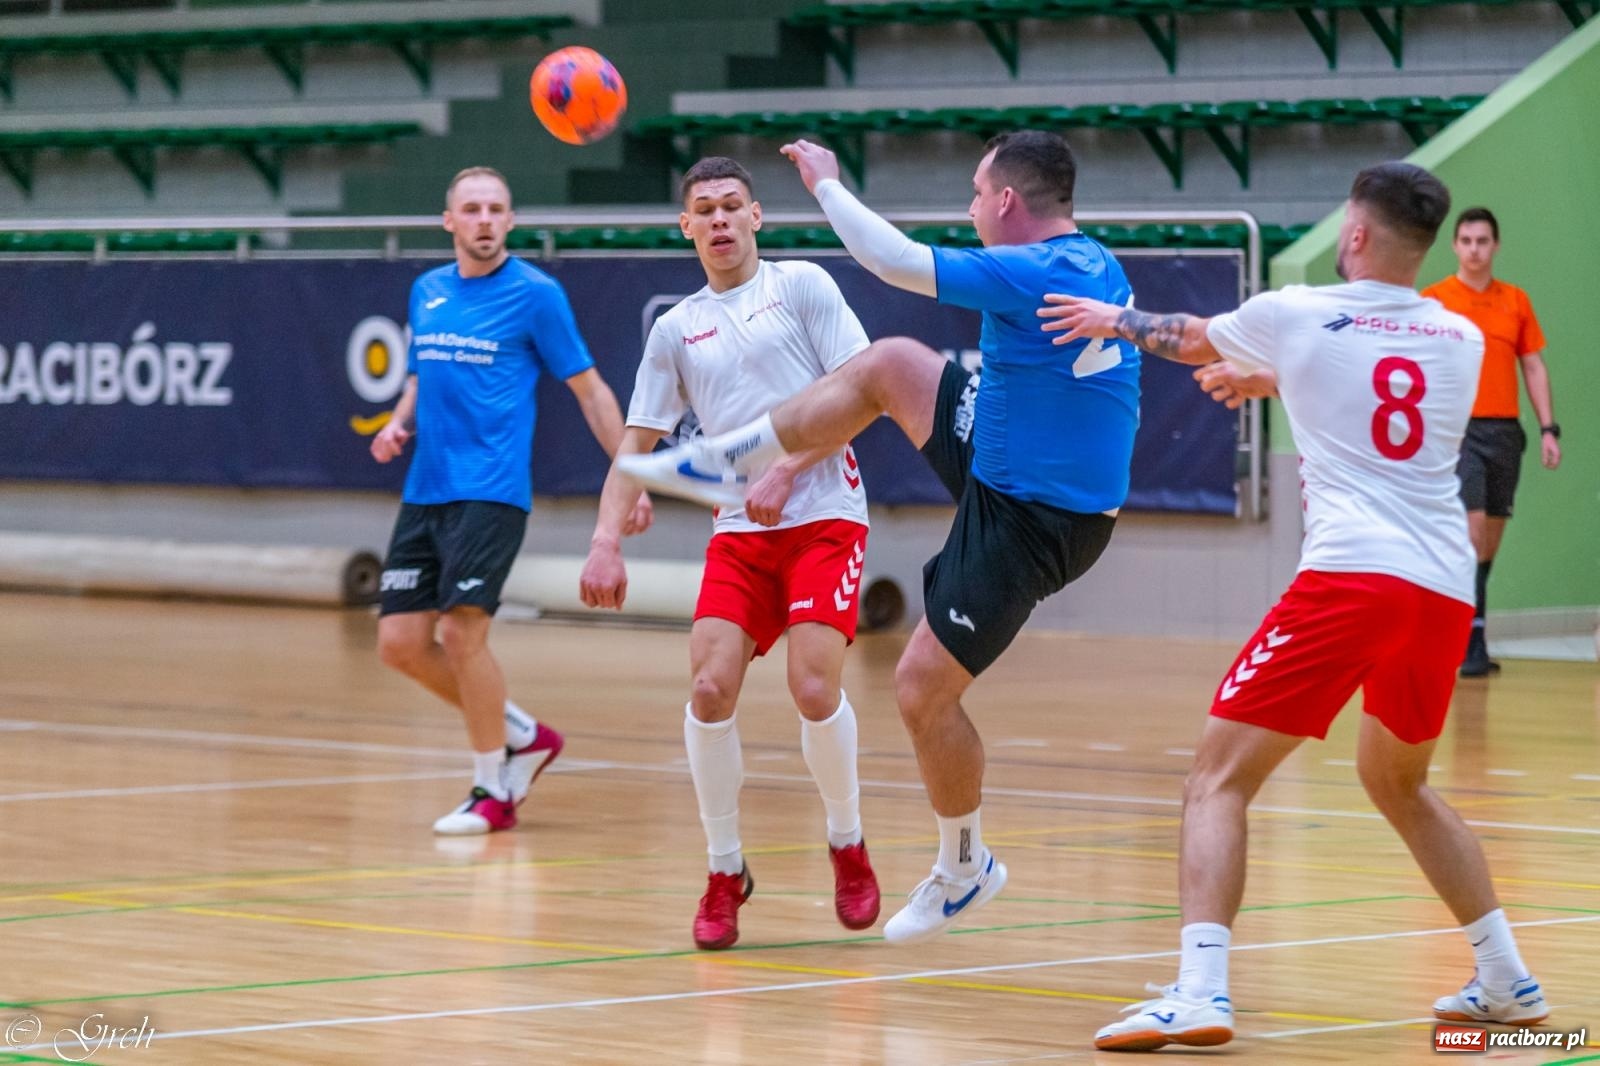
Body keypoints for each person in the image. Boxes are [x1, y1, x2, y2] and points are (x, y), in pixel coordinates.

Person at [1037, 162, 1547, 1051]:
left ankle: (1200, 991)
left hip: (1351, 578)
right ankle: (1505, 977)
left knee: (1216, 779)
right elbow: (1372, 381)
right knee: (1398, 781)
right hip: (1438, 588)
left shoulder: (1300, 311)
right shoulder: (1460, 338)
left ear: (1355, 233)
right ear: (1429, 243)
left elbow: (1191, 336)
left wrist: (1110, 317)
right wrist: (1270, 382)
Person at [618, 132, 1141, 944]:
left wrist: (827, 185)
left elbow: (892, 258)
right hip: (1003, 448)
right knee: (894, 362)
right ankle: (737, 455)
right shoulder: (1089, 262)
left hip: (1033, 518)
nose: (970, 208)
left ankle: (964, 867)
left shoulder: (1026, 266)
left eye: (975, 193)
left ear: (1008, 201)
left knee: (919, 689)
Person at [578, 157, 881, 950]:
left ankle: (847, 843)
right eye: (702, 210)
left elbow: (864, 393)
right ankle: (723, 869)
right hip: (740, 534)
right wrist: (605, 540)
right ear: (686, 228)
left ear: (756, 217)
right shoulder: (675, 328)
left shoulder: (803, 286)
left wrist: (786, 468)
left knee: (813, 688)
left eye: (730, 207)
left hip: (825, 517)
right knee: (709, 691)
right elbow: (634, 444)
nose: (717, 221)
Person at [370, 166, 649, 836]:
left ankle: (491, 789)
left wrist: (629, 474)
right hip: (425, 490)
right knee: (399, 643)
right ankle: (524, 734)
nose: (485, 220)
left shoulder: (536, 295)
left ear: (510, 220)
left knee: (461, 633)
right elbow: (421, 369)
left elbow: (592, 392)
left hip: (491, 489)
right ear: (450, 222)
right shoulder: (427, 290)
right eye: (472, 209)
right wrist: (399, 418)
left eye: (496, 208)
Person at [1422, 208, 1561, 676]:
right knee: (1471, 530)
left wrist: (1548, 428)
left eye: (1483, 241)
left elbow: (1534, 366)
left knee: (1489, 542)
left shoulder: (1515, 301)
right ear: (1455, 246)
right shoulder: (1435, 301)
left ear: (1495, 246)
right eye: (1466, 240)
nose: (1475, 249)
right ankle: (1462, 641)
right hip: (1457, 433)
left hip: (1505, 431)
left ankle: (1473, 634)